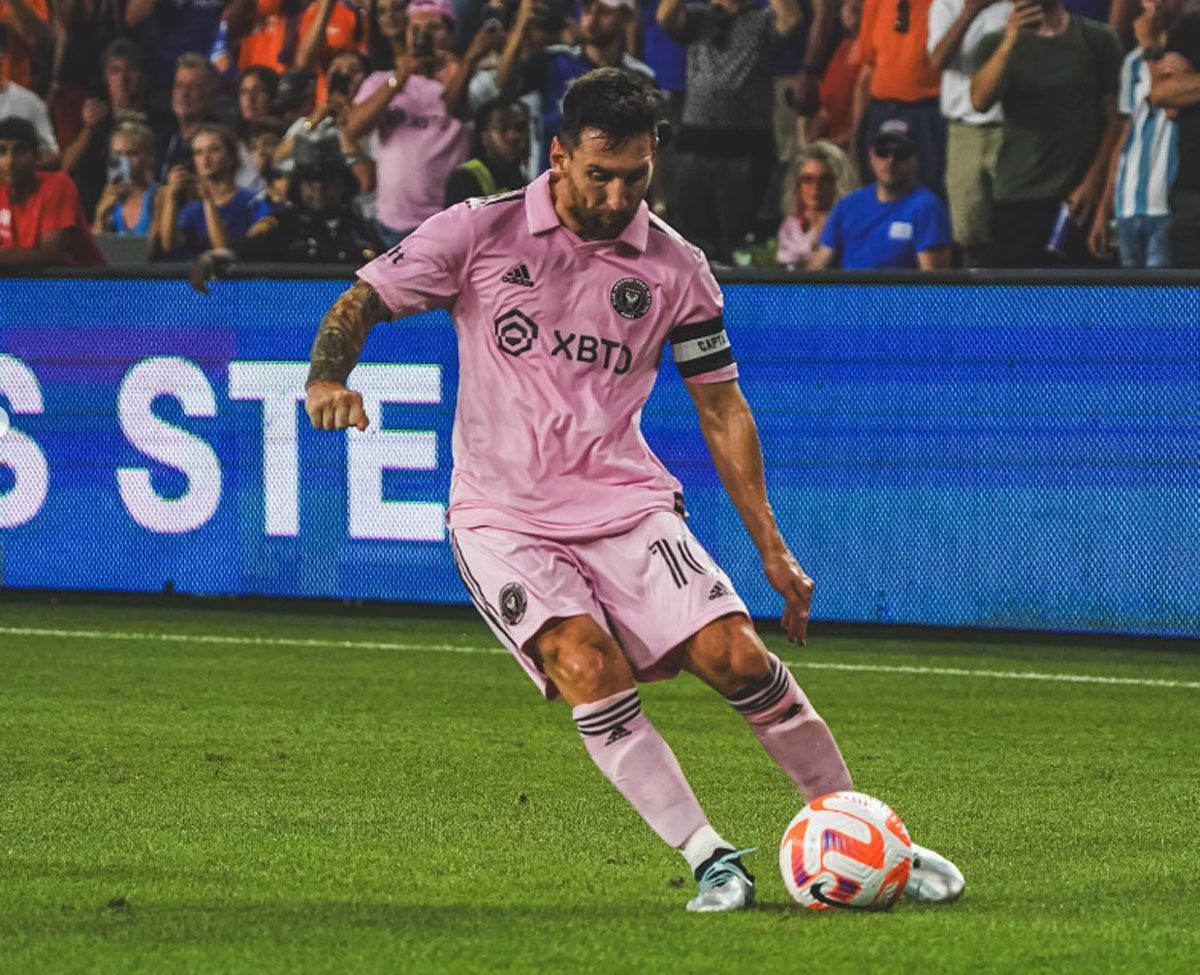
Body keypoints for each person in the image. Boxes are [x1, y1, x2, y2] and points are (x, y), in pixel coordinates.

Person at [302, 68, 965, 912]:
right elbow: (361, 300)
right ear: (560, 156)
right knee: (586, 661)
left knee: (735, 654)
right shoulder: (480, 230)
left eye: (637, 177)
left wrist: (770, 540)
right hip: (503, 516)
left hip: (624, 502)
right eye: (600, 174)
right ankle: (711, 857)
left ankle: (868, 832)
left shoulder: (677, 268)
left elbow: (721, 409)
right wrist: (328, 379)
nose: (618, 196)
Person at [971, 0, 1122, 267]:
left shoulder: (1098, 39)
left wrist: (1093, 183)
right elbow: (980, 101)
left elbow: (1115, 120)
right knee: (1018, 302)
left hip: (1078, 198)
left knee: (1083, 300)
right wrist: (1010, 42)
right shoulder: (994, 42)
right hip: (1018, 193)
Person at [657, 0, 803, 264]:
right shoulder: (697, 18)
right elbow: (665, 16)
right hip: (694, 146)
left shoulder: (763, 19)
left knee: (738, 247)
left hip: (746, 150)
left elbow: (791, 18)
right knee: (693, 245)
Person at [344, 0, 473, 245]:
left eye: (434, 28)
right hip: (392, 226)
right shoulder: (382, 81)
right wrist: (401, 76)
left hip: (446, 225)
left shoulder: (463, 82)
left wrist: (460, 69)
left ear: (450, 34)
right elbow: (353, 127)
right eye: (415, 29)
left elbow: (461, 107)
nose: (423, 36)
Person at [498, 0, 655, 172]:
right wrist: (521, 25)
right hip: (552, 184)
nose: (592, 19)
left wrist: (659, 197)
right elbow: (505, 87)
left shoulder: (640, 77)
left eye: (604, 12)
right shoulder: (553, 61)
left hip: (609, 188)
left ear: (626, 17)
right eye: (587, 8)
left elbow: (652, 149)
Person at [1090, 0, 1180, 268]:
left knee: (1165, 303)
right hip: (1128, 206)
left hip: (1168, 205)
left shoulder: (1185, 56)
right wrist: (1104, 210)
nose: (1155, 5)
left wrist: (1151, 47)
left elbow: (1171, 105)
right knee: (1133, 302)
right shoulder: (1131, 62)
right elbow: (1125, 136)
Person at [927, 0, 1013, 267]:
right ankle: (976, 300)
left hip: (1012, 127)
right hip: (964, 131)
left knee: (1014, 227)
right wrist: (970, 11)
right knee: (969, 235)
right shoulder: (945, 5)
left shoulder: (1017, 5)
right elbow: (939, 59)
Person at [809, 118, 952, 268]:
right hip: (850, 290)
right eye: (882, 151)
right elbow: (818, 267)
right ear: (871, 156)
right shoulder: (847, 206)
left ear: (915, 159)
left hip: (899, 291)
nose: (890, 160)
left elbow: (932, 282)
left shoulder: (926, 208)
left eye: (901, 152)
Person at [854, 0, 947, 198]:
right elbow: (868, 69)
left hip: (928, 113)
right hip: (880, 111)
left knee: (928, 193)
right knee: (878, 194)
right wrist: (856, 136)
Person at [0, 116, 104, 266]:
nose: (10, 161)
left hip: (85, 285)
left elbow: (50, 254)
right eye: (2, 151)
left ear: (37, 156)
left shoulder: (57, 186)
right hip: (24, 286)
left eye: (20, 151)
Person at [155, 121, 259, 257]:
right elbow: (169, 245)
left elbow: (224, 252)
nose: (205, 157)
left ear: (231, 156)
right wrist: (171, 198)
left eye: (214, 150)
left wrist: (208, 200)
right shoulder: (193, 208)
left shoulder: (252, 201)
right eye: (198, 152)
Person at [1150, 4, 1200, 267]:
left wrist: (1191, 82)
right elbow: (1164, 94)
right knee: (1188, 300)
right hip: (1192, 193)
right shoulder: (1192, 27)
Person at [775, 139, 856, 267]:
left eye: (825, 180)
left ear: (838, 183)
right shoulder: (790, 227)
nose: (816, 187)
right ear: (797, 185)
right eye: (808, 179)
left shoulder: (850, 226)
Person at [444, 97, 530, 206]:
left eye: (520, 128)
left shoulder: (523, 176)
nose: (514, 136)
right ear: (484, 137)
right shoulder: (464, 178)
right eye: (503, 128)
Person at [91, 119, 161, 238]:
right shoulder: (110, 197)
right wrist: (101, 213)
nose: (124, 161)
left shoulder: (159, 195)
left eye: (131, 154)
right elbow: (96, 248)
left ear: (150, 157)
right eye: (117, 154)